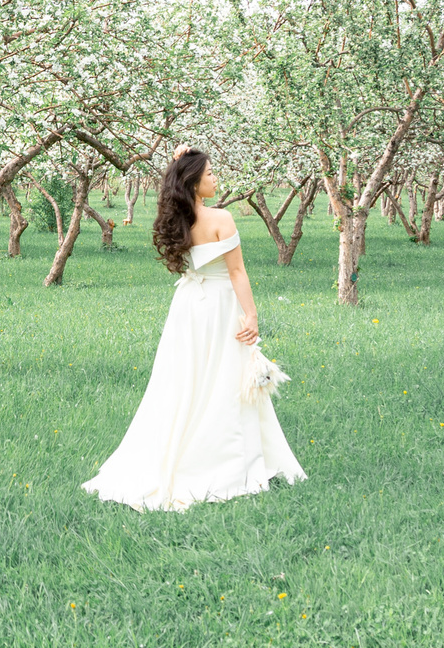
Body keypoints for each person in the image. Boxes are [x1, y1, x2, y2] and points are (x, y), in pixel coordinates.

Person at [82, 146, 305, 511]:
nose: (216, 178)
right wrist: (251, 316)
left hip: (187, 308)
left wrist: (177, 160)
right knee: (223, 381)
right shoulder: (222, 218)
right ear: (195, 183)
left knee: (183, 382)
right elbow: (236, 272)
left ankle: (180, 451)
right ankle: (225, 463)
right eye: (209, 174)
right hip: (219, 306)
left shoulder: (175, 219)